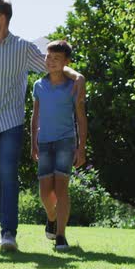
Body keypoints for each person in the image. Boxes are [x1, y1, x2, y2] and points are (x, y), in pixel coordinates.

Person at [0, 0, 85, 252]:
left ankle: (8, 233)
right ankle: (6, 227)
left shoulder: (23, 48)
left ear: (2, 17)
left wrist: (77, 75)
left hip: (12, 122)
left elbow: (53, 66)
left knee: (8, 174)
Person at [31, 40, 87, 251]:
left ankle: (61, 235)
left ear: (66, 62)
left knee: (61, 188)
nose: (51, 62)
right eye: (49, 57)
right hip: (44, 142)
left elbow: (81, 118)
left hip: (66, 141)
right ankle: (52, 218)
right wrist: (32, 143)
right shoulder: (38, 85)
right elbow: (35, 117)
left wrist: (81, 147)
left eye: (57, 59)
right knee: (45, 192)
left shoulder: (73, 86)